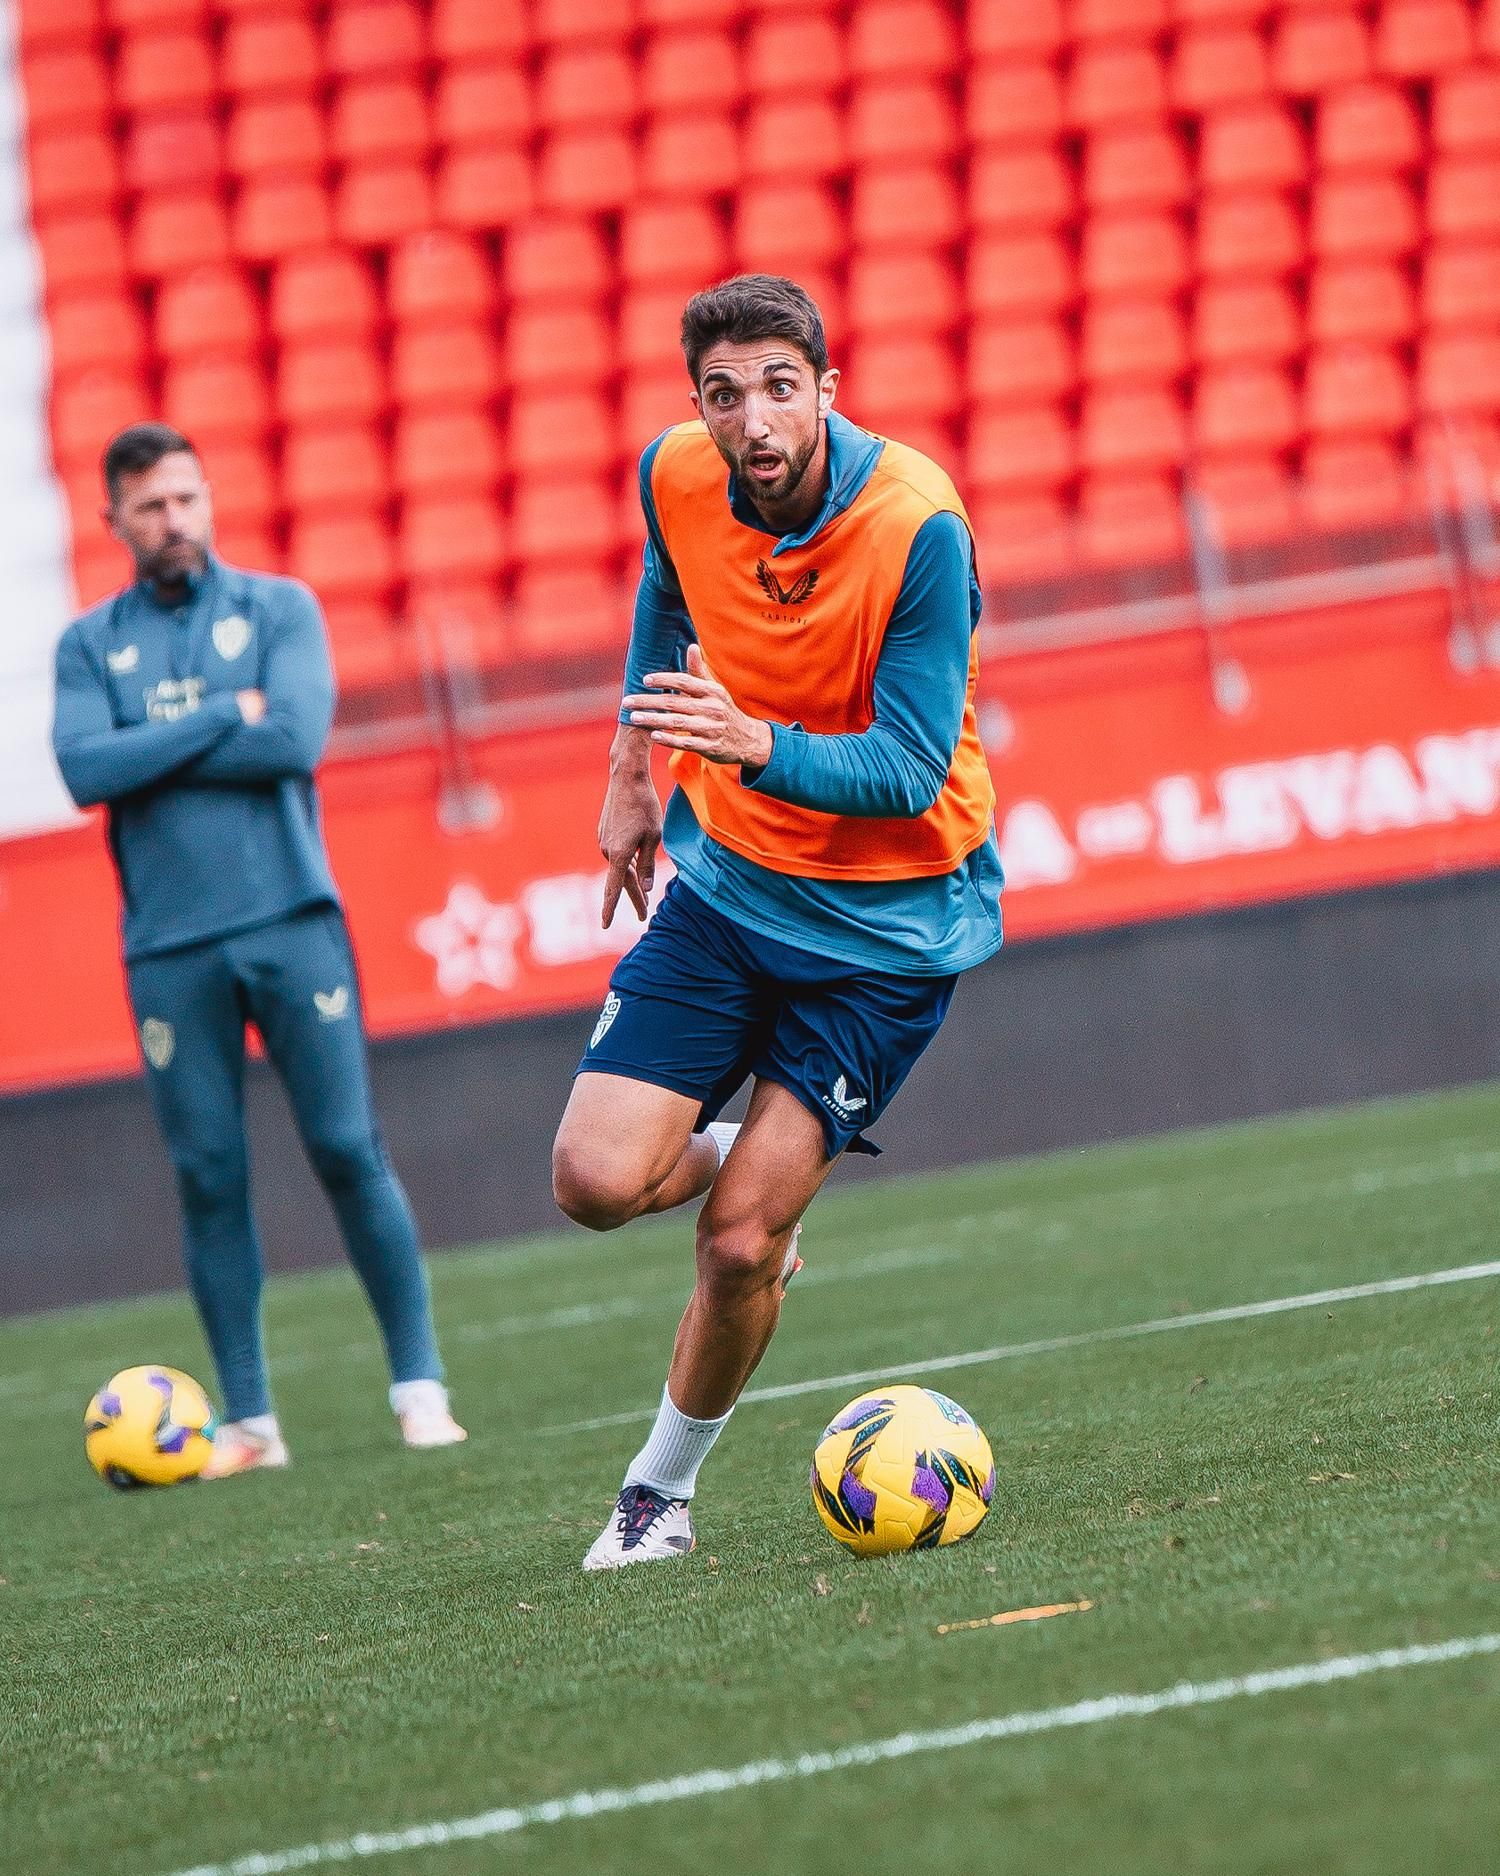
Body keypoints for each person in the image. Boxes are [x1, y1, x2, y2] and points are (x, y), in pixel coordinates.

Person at [551, 275, 1003, 1569]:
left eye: (779, 387)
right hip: (733, 892)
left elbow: (911, 772)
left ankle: (658, 1498)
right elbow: (667, 586)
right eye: (722, 393)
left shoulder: (918, 526)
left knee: (741, 1237)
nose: (751, 420)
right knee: (591, 1183)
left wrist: (753, 745)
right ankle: (764, 1145)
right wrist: (634, 767)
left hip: (889, 929)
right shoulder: (677, 476)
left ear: (828, 390)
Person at [50, 423, 465, 1476]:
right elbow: (86, 770)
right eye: (150, 506)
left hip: (290, 921)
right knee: (207, 1173)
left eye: (186, 498)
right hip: (168, 947)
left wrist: (163, 737)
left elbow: (292, 738)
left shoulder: (280, 607)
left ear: (209, 499)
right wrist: (221, 716)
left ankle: (420, 1388)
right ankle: (249, 1422)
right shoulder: (88, 645)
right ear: (115, 522)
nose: (172, 520)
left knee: (344, 1147)